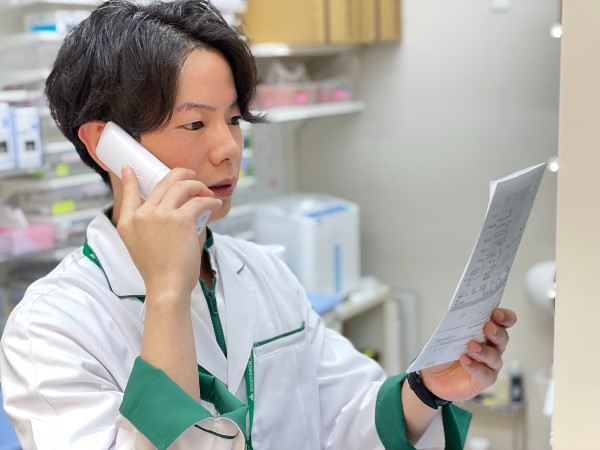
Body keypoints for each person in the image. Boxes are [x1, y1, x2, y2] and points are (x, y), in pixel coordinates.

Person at [0, 1, 517, 449]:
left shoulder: (263, 273)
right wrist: (167, 295)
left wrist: (428, 389)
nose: (228, 148)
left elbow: (345, 416)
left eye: (233, 119)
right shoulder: (50, 328)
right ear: (106, 145)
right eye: (195, 123)